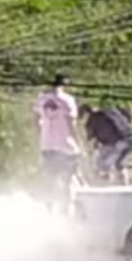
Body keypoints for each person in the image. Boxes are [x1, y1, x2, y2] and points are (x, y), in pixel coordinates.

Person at [33, 73, 83, 214]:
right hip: (66, 146)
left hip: (47, 145)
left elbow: (35, 120)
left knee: (50, 178)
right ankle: (65, 210)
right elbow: (71, 125)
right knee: (68, 179)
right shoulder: (68, 100)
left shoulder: (41, 100)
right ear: (65, 84)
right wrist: (79, 143)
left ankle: (48, 209)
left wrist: (41, 135)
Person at [80, 102, 132, 186]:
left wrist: (88, 152)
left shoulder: (92, 120)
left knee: (102, 165)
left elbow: (90, 141)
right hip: (131, 139)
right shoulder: (107, 111)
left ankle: (105, 187)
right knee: (119, 166)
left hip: (119, 142)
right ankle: (124, 188)